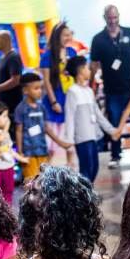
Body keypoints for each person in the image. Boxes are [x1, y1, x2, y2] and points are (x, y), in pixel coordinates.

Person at [89, 5, 130, 169]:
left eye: (115, 17)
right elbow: (94, 64)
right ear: (104, 18)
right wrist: (91, 85)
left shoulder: (129, 33)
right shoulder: (98, 39)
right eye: (109, 18)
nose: (113, 21)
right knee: (113, 121)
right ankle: (115, 155)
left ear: (119, 16)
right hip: (112, 89)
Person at [61, 56, 119, 184]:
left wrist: (111, 130)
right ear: (80, 71)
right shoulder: (72, 91)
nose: (89, 70)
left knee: (95, 167)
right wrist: (69, 140)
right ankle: (85, 196)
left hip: (92, 136)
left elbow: (98, 115)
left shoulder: (89, 91)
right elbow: (69, 117)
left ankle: (86, 193)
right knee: (86, 169)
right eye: (86, 67)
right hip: (81, 138)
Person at [14, 72, 70, 185]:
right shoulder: (21, 109)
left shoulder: (42, 107)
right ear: (25, 90)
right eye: (36, 88)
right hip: (28, 153)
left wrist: (61, 143)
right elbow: (19, 131)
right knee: (30, 182)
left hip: (42, 151)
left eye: (40, 88)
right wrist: (20, 152)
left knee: (44, 181)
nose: (40, 91)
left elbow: (46, 128)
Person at [40, 21, 79, 163]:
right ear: (57, 36)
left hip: (70, 97)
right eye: (65, 35)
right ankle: (48, 171)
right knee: (53, 141)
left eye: (70, 35)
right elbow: (46, 81)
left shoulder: (72, 52)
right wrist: (53, 101)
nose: (68, 37)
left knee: (70, 137)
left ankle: (71, 171)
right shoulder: (48, 55)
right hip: (55, 99)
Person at [0, 31, 24, 117]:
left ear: (6, 40)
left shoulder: (13, 57)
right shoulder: (2, 58)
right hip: (3, 103)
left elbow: (15, 80)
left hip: (13, 105)